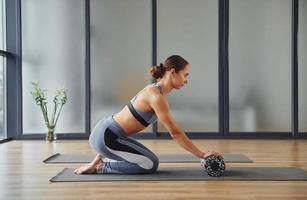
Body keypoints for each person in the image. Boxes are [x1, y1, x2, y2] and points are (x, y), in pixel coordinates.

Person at [74, 55, 222, 175]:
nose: (186, 80)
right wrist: (201, 154)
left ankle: (103, 158)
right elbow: (175, 133)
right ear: (173, 72)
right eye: (185, 75)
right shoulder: (156, 97)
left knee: (150, 160)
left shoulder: (155, 91)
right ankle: (101, 167)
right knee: (150, 164)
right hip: (107, 137)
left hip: (110, 134)